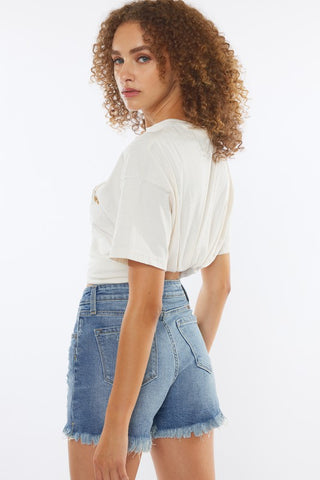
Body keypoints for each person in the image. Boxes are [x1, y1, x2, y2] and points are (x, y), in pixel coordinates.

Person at [62, 1, 248, 479]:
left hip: (118, 324)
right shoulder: (211, 154)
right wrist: (178, 358)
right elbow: (219, 286)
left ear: (183, 60)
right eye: (118, 59)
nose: (126, 72)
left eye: (142, 57)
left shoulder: (150, 154)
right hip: (186, 332)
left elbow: (142, 305)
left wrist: (118, 424)